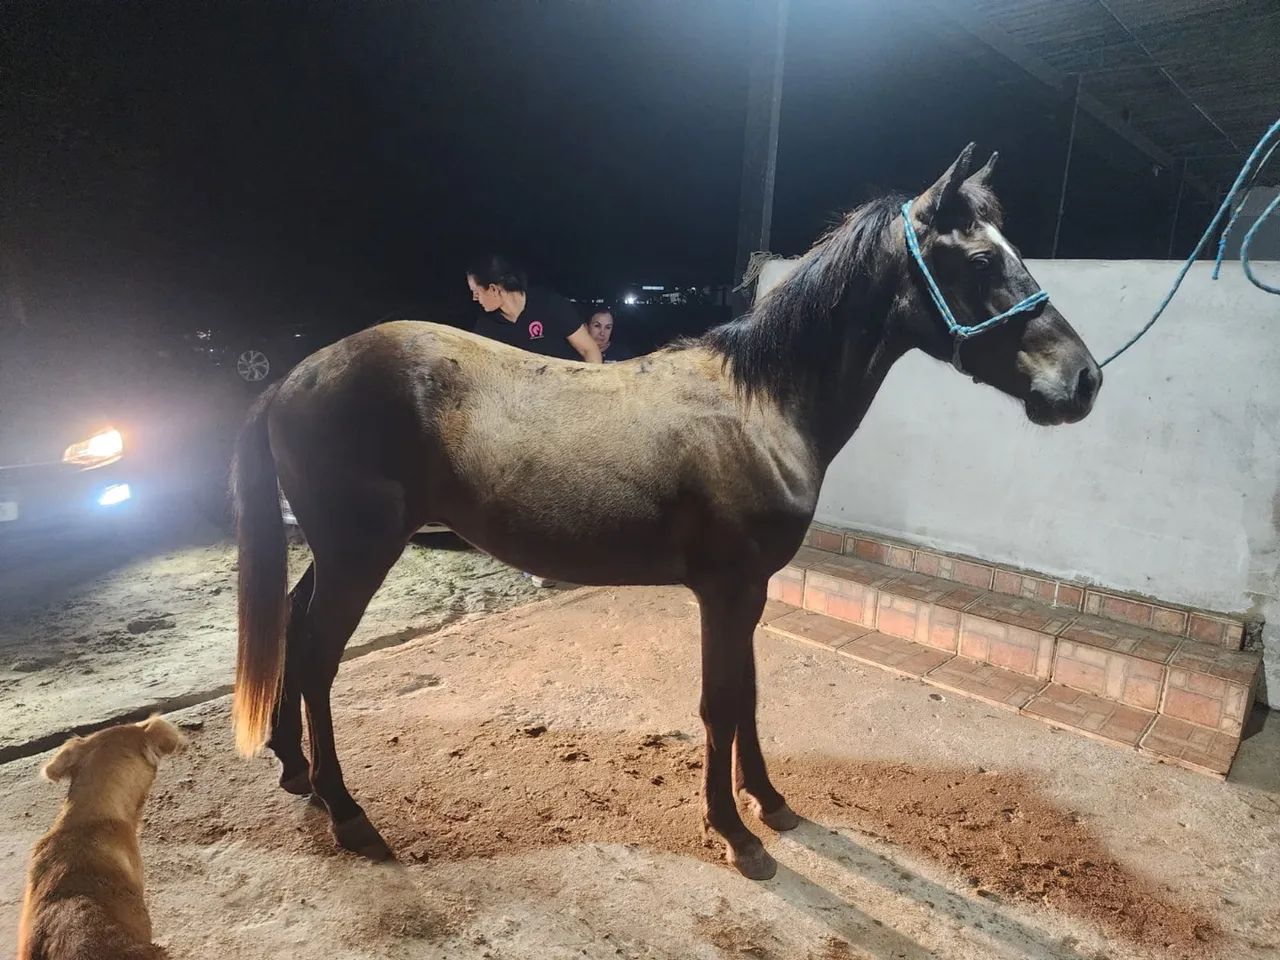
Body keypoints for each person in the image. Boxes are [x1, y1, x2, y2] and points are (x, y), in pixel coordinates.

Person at [467, 255, 601, 363]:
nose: (474, 298)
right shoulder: (486, 326)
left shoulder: (549, 304)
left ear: (493, 289)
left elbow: (589, 350)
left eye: (476, 292)